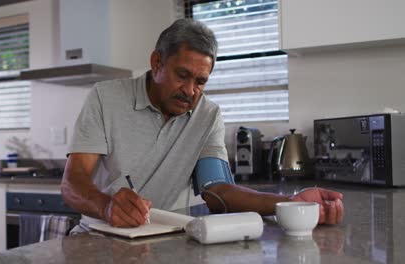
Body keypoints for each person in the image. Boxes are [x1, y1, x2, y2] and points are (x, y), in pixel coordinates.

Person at [61, 18, 344, 229]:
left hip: (165, 238)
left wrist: (289, 203)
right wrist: (108, 206)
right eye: (182, 75)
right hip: (99, 233)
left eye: (201, 81)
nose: (190, 90)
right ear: (157, 63)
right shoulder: (106, 98)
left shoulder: (207, 115)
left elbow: (217, 190)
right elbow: (73, 183)